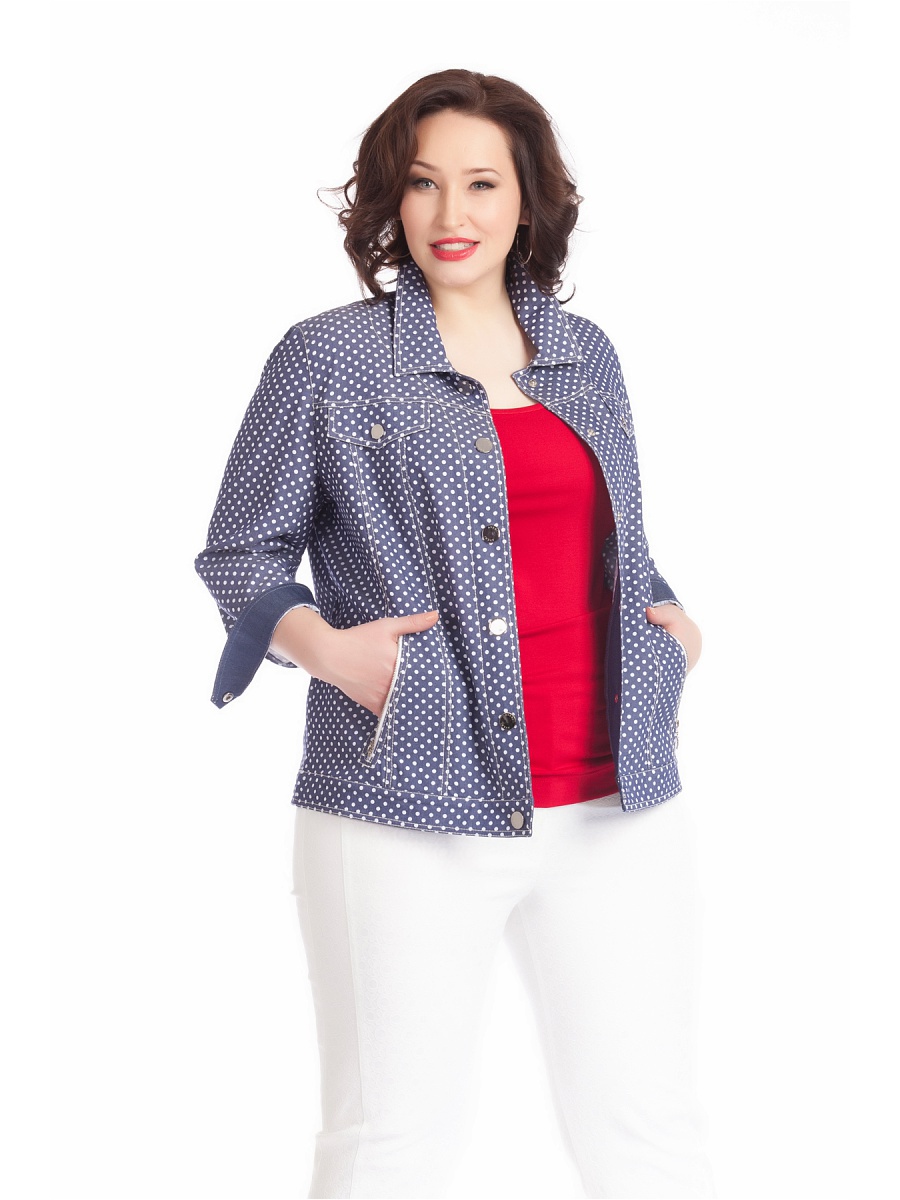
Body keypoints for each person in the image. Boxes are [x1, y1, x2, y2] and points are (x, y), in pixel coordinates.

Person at [195, 69, 716, 1200]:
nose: (451, 214)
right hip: (407, 795)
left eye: (482, 184)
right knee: (393, 1144)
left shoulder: (587, 355)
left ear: (528, 200)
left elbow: (607, 541)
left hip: (619, 797)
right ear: (393, 197)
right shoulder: (328, 357)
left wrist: (675, 634)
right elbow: (240, 551)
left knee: (650, 1139)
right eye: (424, 183)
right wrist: (333, 653)